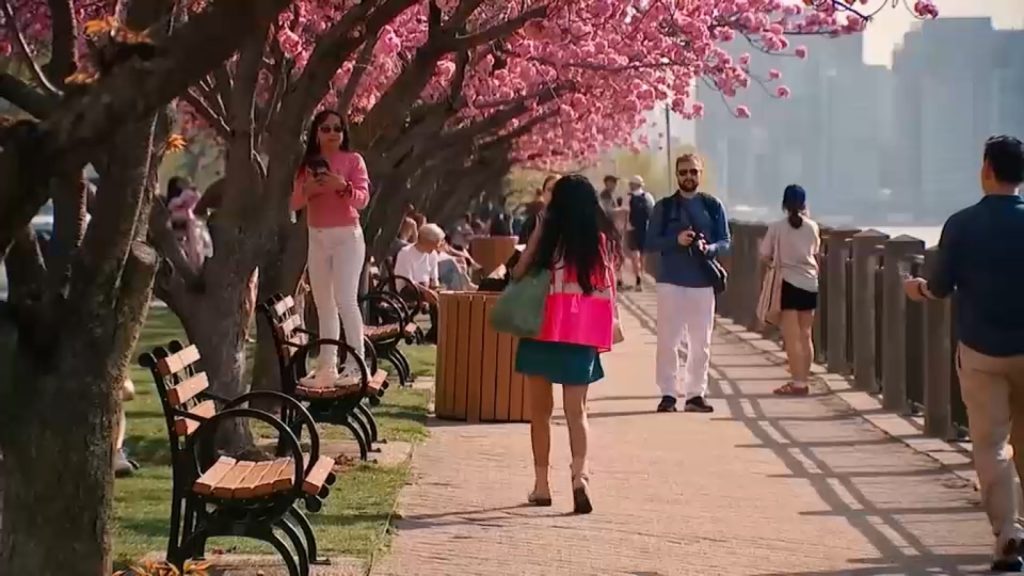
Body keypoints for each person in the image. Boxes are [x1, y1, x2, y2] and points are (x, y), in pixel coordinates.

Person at [904, 135, 1024, 572]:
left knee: (991, 445)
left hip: (981, 350)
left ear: (987, 169)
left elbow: (938, 287)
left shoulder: (961, 224)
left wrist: (915, 289)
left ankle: (1008, 533)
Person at [512, 174, 620, 515]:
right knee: (578, 412)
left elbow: (518, 273)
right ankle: (579, 476)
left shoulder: (547, 239)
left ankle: (542, 485)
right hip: (581, 333)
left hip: (542, 330)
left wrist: (541, 229)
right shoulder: (597, 242)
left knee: (540, 414)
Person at [290, 109, 370, 387]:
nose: (333, 133)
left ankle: (356, 366)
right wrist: (309, 188)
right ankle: (328, 368)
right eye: (326, 129)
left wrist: (343, 186)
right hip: (318, 237)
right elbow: (295, 203)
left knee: (346, 300)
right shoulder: (308, 164)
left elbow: (362, 200)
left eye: (338, 128)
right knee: (324, 305)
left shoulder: (353, 161)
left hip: (347, 237)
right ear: (316, 133)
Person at [646, 153, 730, 414]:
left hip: (702, 281)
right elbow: (650, 242)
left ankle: (696, 394)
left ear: (700, 174)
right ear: (677, 175)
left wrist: (710, 247)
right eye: (683, 172)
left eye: (693, 172)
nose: (688, 177)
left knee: (701, 341)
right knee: (668, 340)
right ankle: (669, 393)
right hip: (670, 280)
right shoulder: (664, 207)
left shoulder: (712, 205)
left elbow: (726, 240)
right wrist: (676, 241)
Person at [759, 184, 821, 396]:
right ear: (804, 203)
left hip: (788, 283)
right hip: (810, 282)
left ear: (784, 204)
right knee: (806, 334)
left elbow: (764, 253)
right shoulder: (812, 227)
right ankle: (804, 378)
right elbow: (815, 250)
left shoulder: (777, 227)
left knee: (792, 336)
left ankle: (798, 382)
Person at [394, 223, 444, 342]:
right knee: (433, 298)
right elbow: (408, 281)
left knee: (444, 296)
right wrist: (427, 291)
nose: (437, 246)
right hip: (407, 288)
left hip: (424, 287)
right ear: (426, 241)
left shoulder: (432, 255)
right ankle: (436, 335)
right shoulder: (406, 253)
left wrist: (436, 289)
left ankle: (437, 331)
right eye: (436, 242)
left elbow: (434, 278)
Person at [626, 174, 655, 291]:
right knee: (643, 255)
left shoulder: (628, 197)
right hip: (645, 229)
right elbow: (653, 212)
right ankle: (641, 275)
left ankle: (638, 278)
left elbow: (625, 213)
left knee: (634, 256)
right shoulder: (648, 197)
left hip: (632, 229)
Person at [518, 175, 557, 244]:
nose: (553, 194)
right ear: (543, 194)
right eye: (549, 190)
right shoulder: (533, 222)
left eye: (558, 190)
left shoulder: (573, 223)